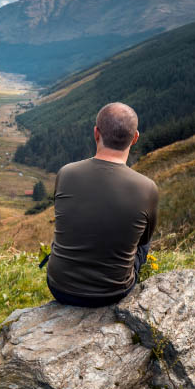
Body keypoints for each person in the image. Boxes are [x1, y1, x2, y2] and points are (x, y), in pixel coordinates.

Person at [43, 102, 158, 307]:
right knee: (144, 240)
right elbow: (143, 241)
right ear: (135, 138)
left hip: (60, 287)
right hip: (113, 293)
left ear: (96, 133)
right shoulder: (147, 187)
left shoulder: (66, 173)